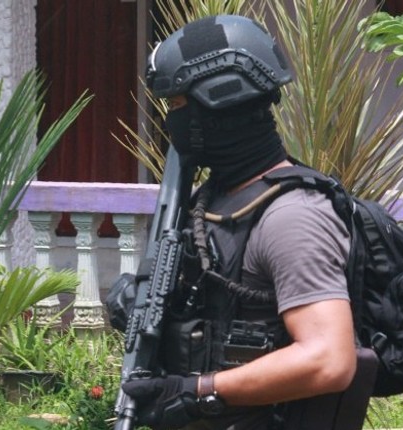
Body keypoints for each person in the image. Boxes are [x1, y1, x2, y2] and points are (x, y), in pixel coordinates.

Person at [111, 14, 377, 430]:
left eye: (178, 106)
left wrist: (197, 391)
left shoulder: (292, 216)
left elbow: (329, 360)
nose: (171, 122)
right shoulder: (212, 200)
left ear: (220, 104)